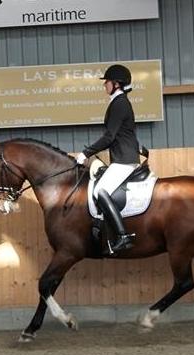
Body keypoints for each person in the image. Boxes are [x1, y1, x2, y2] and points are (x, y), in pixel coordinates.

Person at [75, 64, 140, 253]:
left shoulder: (119, 103)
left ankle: (123, 235)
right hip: (123, 156)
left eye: (107, 82)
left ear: (116, 84)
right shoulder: (119, 102)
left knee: (101, 191)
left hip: (124, 159)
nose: (105, 85)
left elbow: (109, 137)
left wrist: (85, 153)